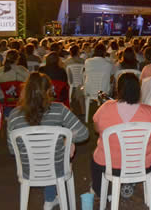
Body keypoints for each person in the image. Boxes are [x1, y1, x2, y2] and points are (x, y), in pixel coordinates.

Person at [7, 72, 89, 210]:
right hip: (57, 168)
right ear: (48, 91)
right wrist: (68, 140)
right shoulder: (59, 110)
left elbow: (12, 149)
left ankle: (50, 198)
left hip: (28, 169)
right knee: (55, 157)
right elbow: (83, 133)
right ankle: (50, 199)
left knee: (45, 156)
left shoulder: (14, 115)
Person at [91, 73, 151, 201]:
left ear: (118, 89)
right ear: (139, 90)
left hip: (110, 166)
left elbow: (96, 128)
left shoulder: (105, 108)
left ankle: (99, 192)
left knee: (95, 156)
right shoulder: (150, 111)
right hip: (142, 165)